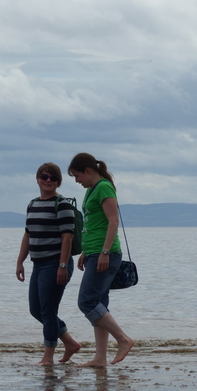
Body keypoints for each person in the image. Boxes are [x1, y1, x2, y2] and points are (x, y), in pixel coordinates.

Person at [68, 153, 135, 367]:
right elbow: (94, 224)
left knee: (86, 301)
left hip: (105, 254)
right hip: (94, 252)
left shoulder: (104, 187)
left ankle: (123, 340)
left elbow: (113, 222)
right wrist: (86, 251)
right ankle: (100, 358)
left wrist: (104, 252)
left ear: (87, 170)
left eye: (77, 175)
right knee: (99, 305)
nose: (76, 181)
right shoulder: (91, 190)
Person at [16, 162, 82, 365]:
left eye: (53, 178)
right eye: (44, 176)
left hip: (55, 264)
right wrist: (20, 262)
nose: (48, 181)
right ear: (37, 179)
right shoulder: (33, 204)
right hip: (38, 265)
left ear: (58, 182)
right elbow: (28, 234)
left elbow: (67, 238)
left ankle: (48, 357)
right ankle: (70, 343)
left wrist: (62, 266)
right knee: (36, 310)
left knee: (48, 311)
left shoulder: (61, 204)